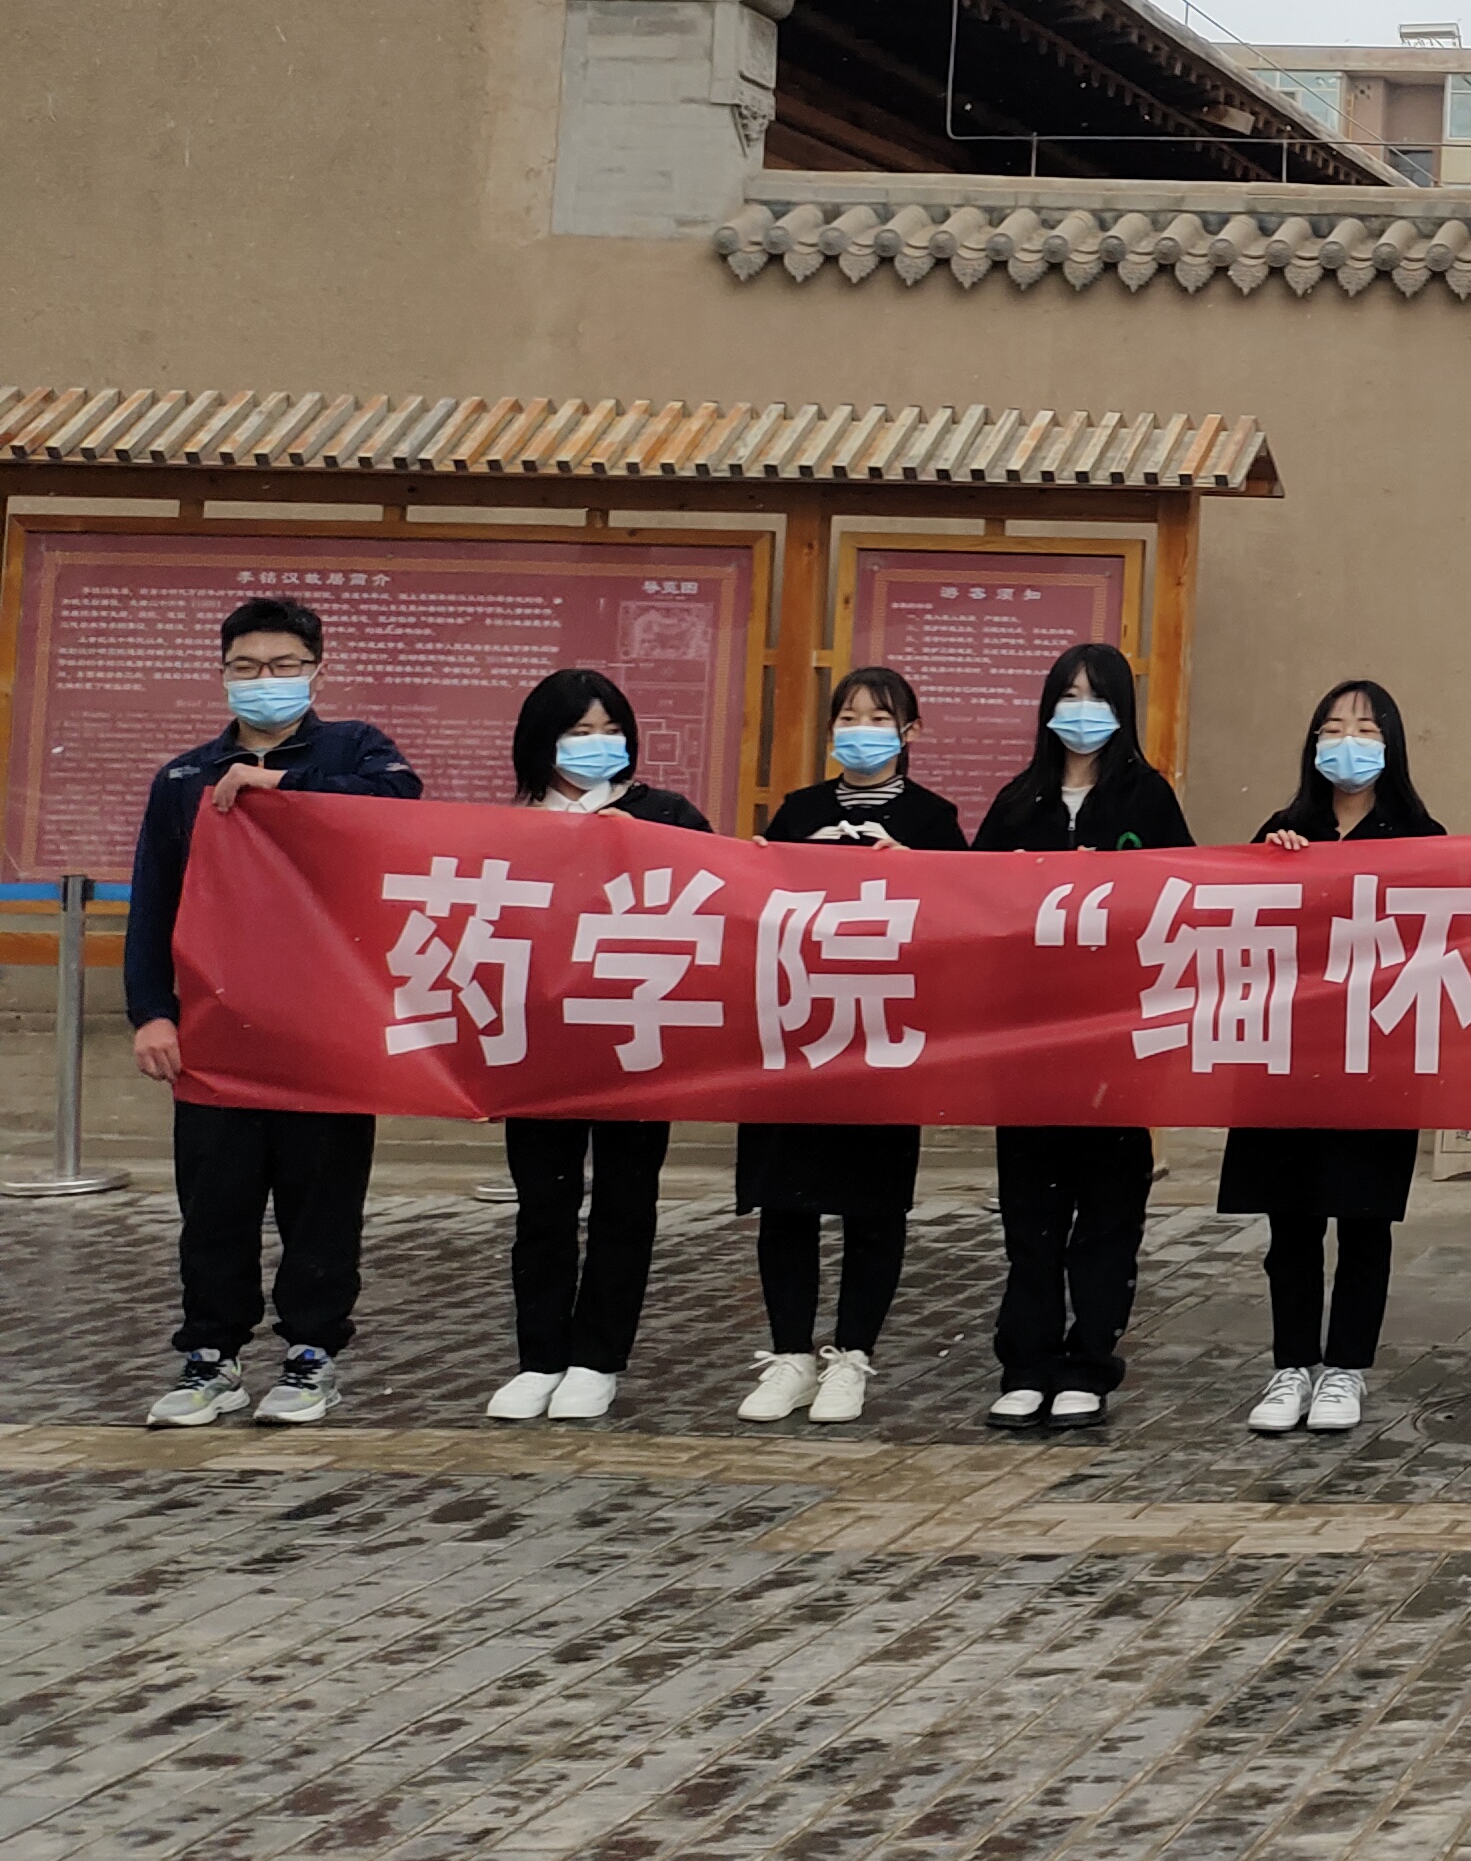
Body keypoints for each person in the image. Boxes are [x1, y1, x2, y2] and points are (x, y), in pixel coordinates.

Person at [132, 597, 423, 1429]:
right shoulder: (184, 778)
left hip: (325, 1026)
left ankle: (311, 1354)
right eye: (246, 667)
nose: (265, 680)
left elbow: (399, 807)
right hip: (217, 1031)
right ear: (223, 674)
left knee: (321, 1200)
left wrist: (282, 783)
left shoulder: (354, 749)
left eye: (284, 665)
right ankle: (210, 1358)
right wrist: (151, 1011)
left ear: (315, 669)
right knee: (214, 1203)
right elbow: (155, 904)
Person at [481, 672, 715, 1422]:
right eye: (578, 732)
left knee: (625, 1200)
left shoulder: (666, 814)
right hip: (541, 1045)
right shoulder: (510, 828)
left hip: (636, 1035)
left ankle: (598, 1357)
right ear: (540, 742)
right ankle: (539, 1357)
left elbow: (723, 897)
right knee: (542, 1204)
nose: (597, 744)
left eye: (609, 730)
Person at [970, 644, 1190, 1430]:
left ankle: (1089, 1362)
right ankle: (1025, 1362)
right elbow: (965, 900)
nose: (1081, 712)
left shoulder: (1147, 798)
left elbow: (1184, 898)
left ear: (1122, 710)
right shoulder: (1017, 801)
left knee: (1107, 1214)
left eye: (1097, 698)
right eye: (1068, 696)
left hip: (1115, 1044)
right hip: (1028, 1043)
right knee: (1031, 1218)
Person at [741, 670, 963, 1425]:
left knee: (873, 1204)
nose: (859, 730)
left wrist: (914, 869)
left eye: (877, 717)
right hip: (797, 1029)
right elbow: (758, 908)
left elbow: (963, 916)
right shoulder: (798, 810)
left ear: (910, 732)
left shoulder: (933, 818)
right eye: (847, 716)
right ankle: (790, 1355)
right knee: (787, 1200)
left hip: (882, 1033)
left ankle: (852, 1356)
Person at [1227, 681, 1435, 1436]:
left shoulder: (1420, 835)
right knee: (1291, 1224)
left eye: (1367, 729)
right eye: (1334, 728)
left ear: (1392, 744)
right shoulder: (1284, 829)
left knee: (1364, 1219)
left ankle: (1346, 1367)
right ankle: (1291, 1365)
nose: (1349, 743)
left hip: (1376, 1056)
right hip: (1288, 1054)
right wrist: (1272, 863)